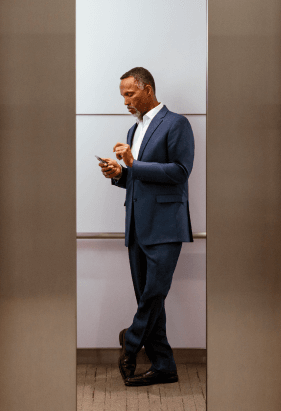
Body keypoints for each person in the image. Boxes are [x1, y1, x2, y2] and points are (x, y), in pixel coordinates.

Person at [98, 67, 195, 387]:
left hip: (166, 225)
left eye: (130, 94)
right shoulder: (132, 130)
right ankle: (164, 365)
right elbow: (139, 179)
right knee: (148, 296)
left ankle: (131, 341)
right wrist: (120, 174)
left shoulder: (177, 123)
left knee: (154, 293)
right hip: (137, 225)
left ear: (148, 90)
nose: (125, 101)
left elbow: (180, 172)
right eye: (122, 95)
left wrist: (133, 164)